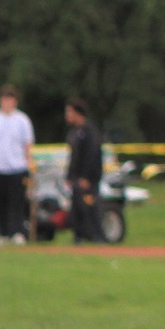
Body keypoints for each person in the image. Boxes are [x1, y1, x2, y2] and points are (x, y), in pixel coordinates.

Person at [0, 85, 35, 244]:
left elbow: (27, 144)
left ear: (15, 102)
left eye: (10, 100)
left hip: (18, 167)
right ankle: (3, 232)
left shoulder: (22, 120)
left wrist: (28, 162)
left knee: (16, 202)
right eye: (4, 100)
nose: (7, 103)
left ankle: (16, 232)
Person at [63, 99, 103, 243]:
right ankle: (79, 235)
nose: (67, 115)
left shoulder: (90, 132)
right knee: (77, 207)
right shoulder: (74, 132)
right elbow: (73, 157)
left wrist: (86, 177)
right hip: (76, 177)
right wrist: (69, 176)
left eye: (69, 112)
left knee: (90, 205)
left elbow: (91, 155)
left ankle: (97, 235)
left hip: (87, 178)